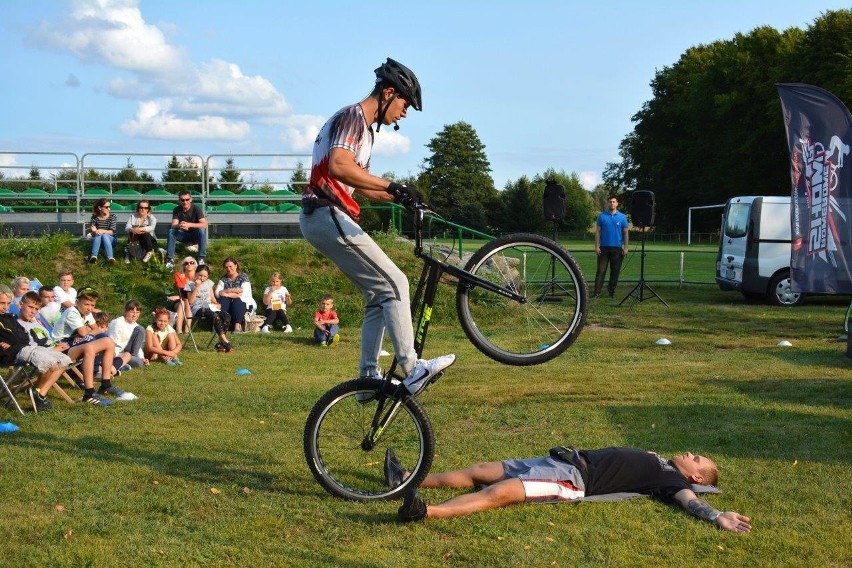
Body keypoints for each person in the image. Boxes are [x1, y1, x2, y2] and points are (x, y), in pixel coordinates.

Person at [298, 58, 454, 394]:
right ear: (387, 92)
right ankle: (412, 368)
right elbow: (339, 167)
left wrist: (401, 197)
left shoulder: (363, 129)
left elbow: (361, 184)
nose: (405, 113)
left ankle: (369, 380)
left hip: (326, 216)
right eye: (405, 104)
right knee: (396, 282)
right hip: (326, 212)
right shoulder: (352, 117)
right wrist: (393, 185)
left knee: (377, 296)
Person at [391, 446, 752, 533]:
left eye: (699, 459)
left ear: (699, 478)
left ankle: (425, 511)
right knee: (480, 471)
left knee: (499, 493)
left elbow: (689, 504)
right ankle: (406, 479)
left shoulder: (673, 481)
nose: (692, 454)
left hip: (573, 481)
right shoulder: (662, 461)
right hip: (565, 461)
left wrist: (716, 514)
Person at [52, 287, 134, 405]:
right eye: (86, 304)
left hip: (74, 344)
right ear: (76, 302)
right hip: (61, 348)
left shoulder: (87, 314)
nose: (89, 308)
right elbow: (84, 332)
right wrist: (86, 333)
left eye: (92, 305)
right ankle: (89, 393)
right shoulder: (72, 312)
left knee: (108, 340)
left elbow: (96, 330)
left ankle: (106, 385)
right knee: (90, 343)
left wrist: (86, 332)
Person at [0, 287, 73, 413]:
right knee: (50, 362)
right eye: (2, 303)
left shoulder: (10, 317)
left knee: (63, 360)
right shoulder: (8, 319)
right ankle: (37, 393)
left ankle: (39, 393)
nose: (5, 306)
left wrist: (11, 339)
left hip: (26, 347)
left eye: (7, 303)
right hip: (12, 353)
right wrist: (11, 339)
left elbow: (22, 336)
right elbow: (16, 337)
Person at [186, 264, 233, 353]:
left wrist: (216, 304)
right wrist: (196, 287)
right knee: (214, 315)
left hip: (209, 307)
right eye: (200, 275)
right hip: (197, 308)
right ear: (195, 274)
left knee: (226, 316)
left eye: (205, 276)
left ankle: (220, 343)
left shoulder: (209, 283)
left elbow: (212, 298)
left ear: (208, 277)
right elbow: (190, 302)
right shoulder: (190, 284)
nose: (202, 278)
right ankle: (224, 340)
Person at [593, 196, 630, 298]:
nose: (612, 203)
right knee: (600, 271)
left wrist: (626, 247)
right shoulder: (601, 216)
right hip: (603, 248)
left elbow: (626, 233)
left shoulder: (622, 217)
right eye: (610, 202)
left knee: (615, 271)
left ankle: (611, 292)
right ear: (608, 204)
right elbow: (598, 232)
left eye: (614, 202)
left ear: (617, 204)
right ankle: (596, 292)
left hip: (617, 249)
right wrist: (596, 246)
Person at [166, 190, 207, 270]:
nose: (185, 202)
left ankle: (201, 257)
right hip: (183, 235)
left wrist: (189, 224)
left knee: (201, 230)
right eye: (182, 200)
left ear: (191, 199)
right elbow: (174, 225)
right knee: (171, 231)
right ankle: (170, 259)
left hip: (195, 234)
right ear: (179, 201)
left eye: (187, 199)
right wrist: (180, 225)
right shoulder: (177, 209)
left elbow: (204, 224)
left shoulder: (196, 209)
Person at [215, 257, 252, 333]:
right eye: (226, 267)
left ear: (236, 266)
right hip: (228, 302)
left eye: (230, 266)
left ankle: (237, 326)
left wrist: (227, 293)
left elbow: (244, 293)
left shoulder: (243, 277)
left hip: (242, 302)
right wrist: (233, 291)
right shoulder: (223, 278)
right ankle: (221, 325)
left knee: (238, 300)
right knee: (223, 300)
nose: (228, 269)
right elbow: (218, 293)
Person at [107, 300, 147, 369]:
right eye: (132, 312)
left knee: (140, 329)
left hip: (129, 353)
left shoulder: (136, 326)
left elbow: (138, 346)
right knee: (138, 363)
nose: (135, 315)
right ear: (126, 312)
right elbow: (113, 344)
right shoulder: (117, 323)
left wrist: (142, 358)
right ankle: (120, 363)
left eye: (137, 312)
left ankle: (129, 360)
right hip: (117, 354)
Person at [125, 200, 158, 264]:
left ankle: (149, 251)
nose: (143, 209)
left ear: (148, 209)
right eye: (141, 207)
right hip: (137, 238)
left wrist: (140, 229)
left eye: (146, 208)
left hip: (149, 239)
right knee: (131, 232)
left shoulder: (152, 218)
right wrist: (132, 229)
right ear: (138, 208)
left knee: (145, 232)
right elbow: (126, 228)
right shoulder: (133, 217)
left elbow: (152, 228)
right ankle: (128, 253)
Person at [171, 256, 198, 333]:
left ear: (195, 265)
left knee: (186, 303)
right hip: (180, 300)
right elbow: (182, 290)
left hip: (193, 301)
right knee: (183, 302)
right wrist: (183, 279)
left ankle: (186, 329)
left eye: (191, 263)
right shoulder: (179, 275)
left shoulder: (198, 277)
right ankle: (179, 329)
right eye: (186, 263)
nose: (189, 264)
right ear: (183, 266)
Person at [88, 198, 118, 264]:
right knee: (98, 234)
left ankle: (110, 257)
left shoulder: (112, 216)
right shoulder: (94, 217)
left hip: (111, 240)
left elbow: (112, 232)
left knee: (104, 235)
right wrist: (94, 231)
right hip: (98, 240)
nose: (109, 209)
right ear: (100, 208)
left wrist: (101, 231)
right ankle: (94, 257)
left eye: (109, 207)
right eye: (106, 207)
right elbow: (93, 233)